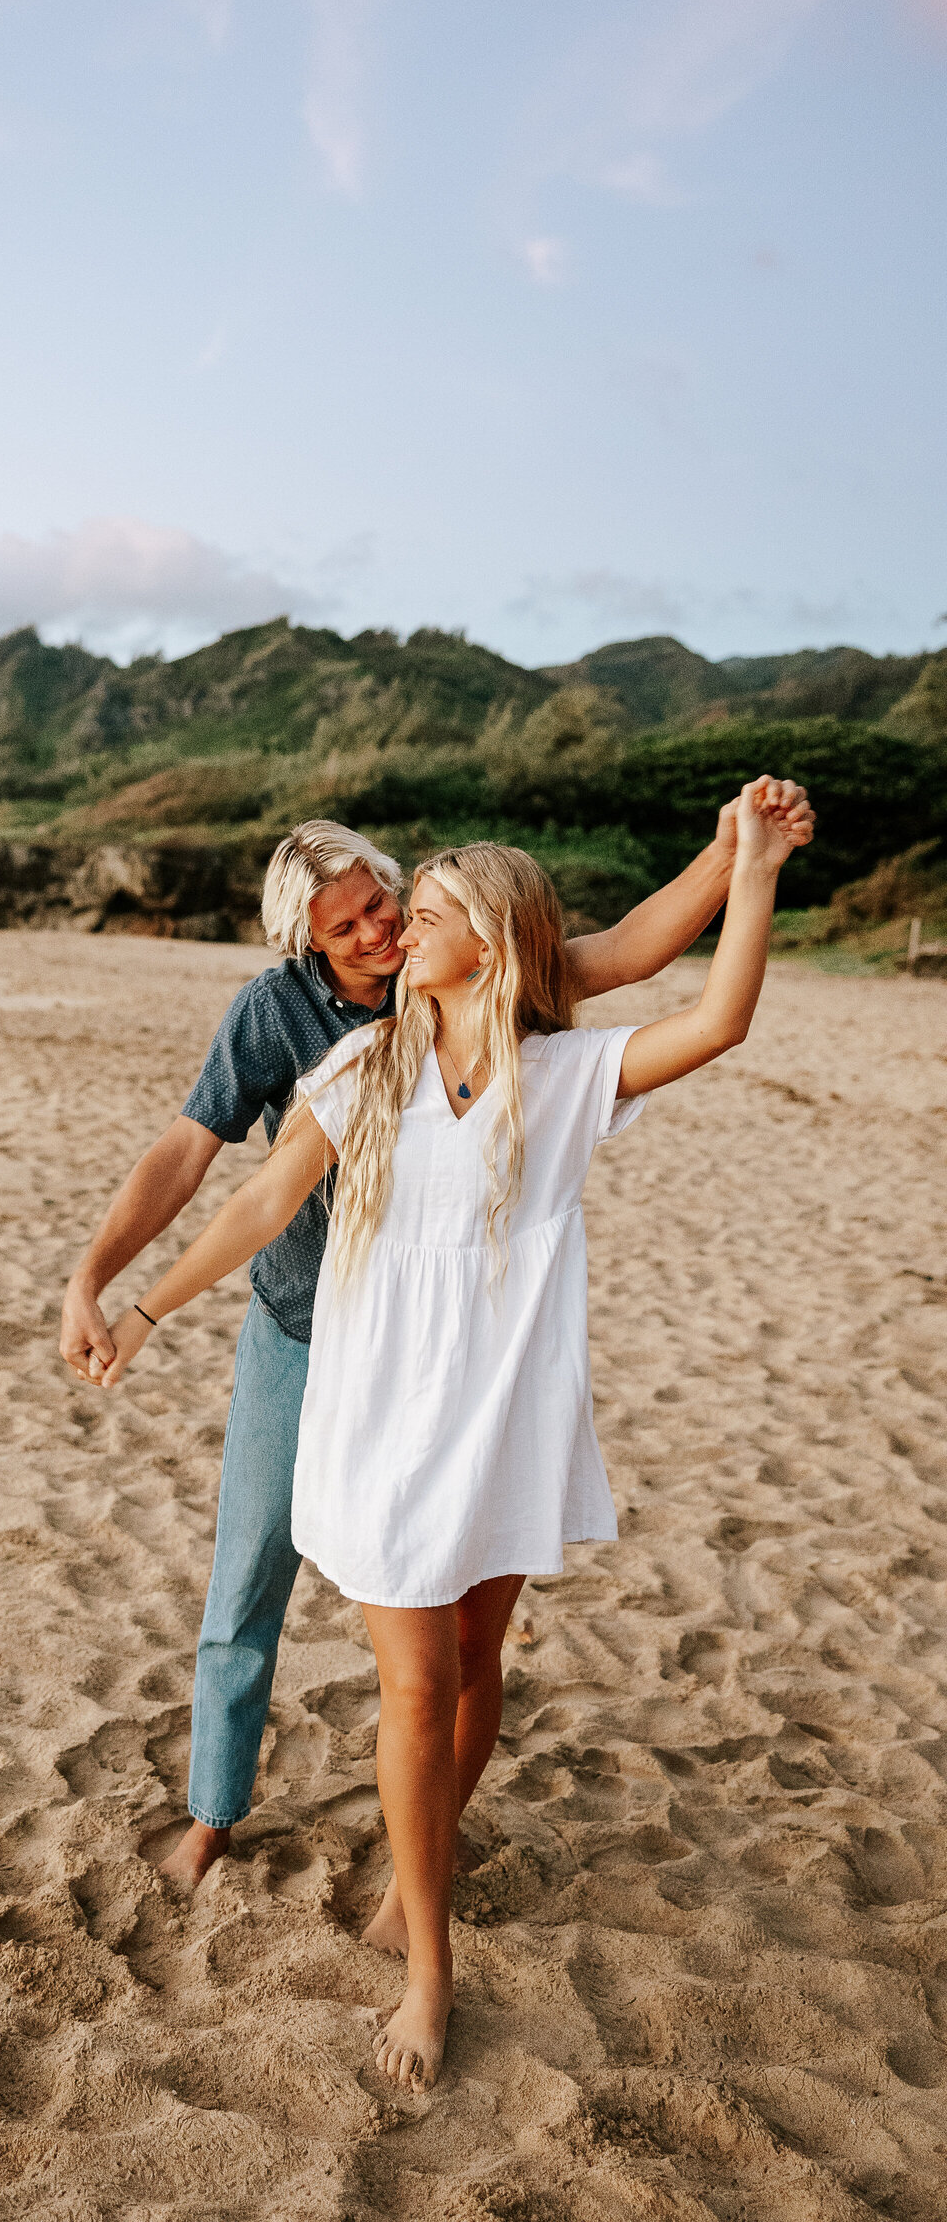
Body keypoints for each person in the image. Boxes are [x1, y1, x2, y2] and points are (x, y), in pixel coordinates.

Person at [91, 785, 807, 2090]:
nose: (391, 933)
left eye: (412, 912)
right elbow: (256, 1199)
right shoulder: (359, 1062)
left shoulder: (561, 1069)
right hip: (372, 1412)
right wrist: (138, 1304)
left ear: (484, 935)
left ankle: (420, 1865)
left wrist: (745, 860)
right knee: (409, 1681)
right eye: (377, 915)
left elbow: (711, 1009)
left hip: (507, 1415)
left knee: (478, 1667)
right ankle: (423, 1956)